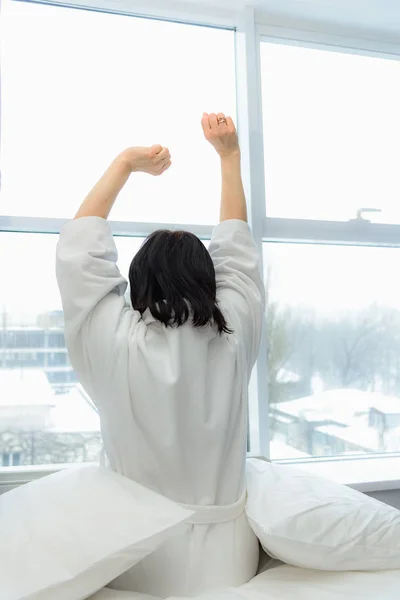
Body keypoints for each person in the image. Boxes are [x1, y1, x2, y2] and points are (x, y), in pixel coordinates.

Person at [56, 112, 265, 597]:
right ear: (209, 281)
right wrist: (229, 157)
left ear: (138, 281)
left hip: (135, 551)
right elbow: (238, 254)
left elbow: (79, 253)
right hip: (228, 555)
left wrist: (125, 165)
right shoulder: (234, 337)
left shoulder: (112, 340)